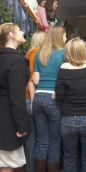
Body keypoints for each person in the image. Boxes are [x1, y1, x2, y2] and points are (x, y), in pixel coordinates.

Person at [55, 37, 86, 172]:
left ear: (68, 52)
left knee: (69, 157)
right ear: (84, 51)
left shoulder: (63, 69)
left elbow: (59, 96)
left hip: (68, 120)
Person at [32, 27, 66, 172]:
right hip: (54, 98)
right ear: (59, 37)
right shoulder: (64, 54)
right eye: (65, 35)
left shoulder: (39, 54)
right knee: (55, 142)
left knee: (41, 141)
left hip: (39, 97)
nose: (66, 38)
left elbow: (35, 80)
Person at [0, 23, 31, 172]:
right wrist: (22, 125)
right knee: (7, 166)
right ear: (11, 35)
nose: (22, 32)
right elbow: (16, 98)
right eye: (19, 30)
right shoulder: (15, 61)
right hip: (7, 121)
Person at [25, 31, 46, 172]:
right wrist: (33, 101)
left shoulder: (29, 52)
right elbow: (33, 79)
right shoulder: (35, 53)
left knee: (33, 137)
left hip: (27, 97)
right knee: (34, 138)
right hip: (30, 98)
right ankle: (32, 169)